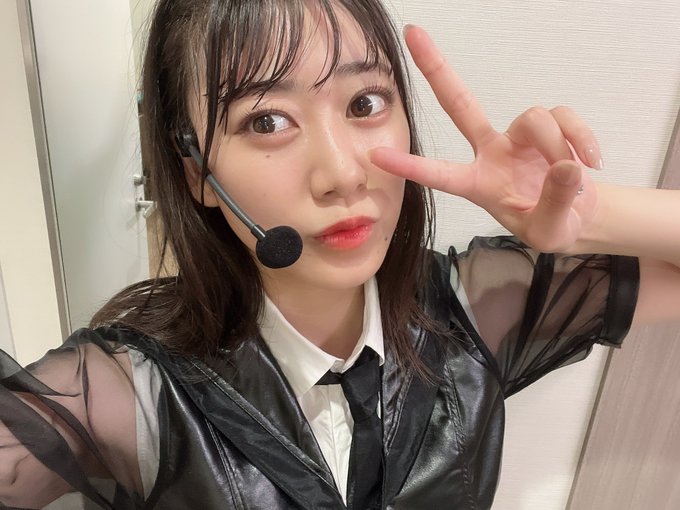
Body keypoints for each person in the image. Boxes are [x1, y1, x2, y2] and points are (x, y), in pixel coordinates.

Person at [1, 0, 679, 508]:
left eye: (364, 102)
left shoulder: (474, 311)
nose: (343, 174)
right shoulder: (131, 394)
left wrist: (585, 219)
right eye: (267, 120)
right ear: (196, 173)